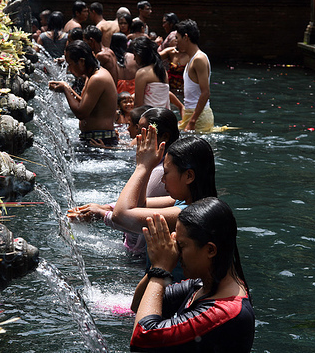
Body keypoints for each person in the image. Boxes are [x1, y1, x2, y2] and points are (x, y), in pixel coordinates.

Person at [130, 197, 255, 352]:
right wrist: (157, 266)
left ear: (210, 250)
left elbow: (142, 337)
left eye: (181, 245)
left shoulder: (226, 311)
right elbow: (139, 304)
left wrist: (161, 269)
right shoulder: (201, 285)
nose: (177, 252)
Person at [67, 107, 180, 256]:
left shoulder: (160, 173)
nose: (137, 138)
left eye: (144, 133)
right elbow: (143, 205)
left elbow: (133, 214)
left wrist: (102, 214)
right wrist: (105, 207)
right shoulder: (159, 168)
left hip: (140, 254)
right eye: (138, 130)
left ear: (164, 137)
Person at [111, 130, 217, 236]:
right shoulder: (183, 201)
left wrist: (142, 167)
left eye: (166, 173)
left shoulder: (189, 215)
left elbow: (120, 216)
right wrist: (148, 168)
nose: (162, 180)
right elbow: (141, 205)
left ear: (189, 176)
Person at [49, 40, 118, 146]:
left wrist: (66, 89)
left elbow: (81, 113)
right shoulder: (91, 76)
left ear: (81, 61)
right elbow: (84, 104)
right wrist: (68, 89)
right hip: (95, 137)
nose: (69, 69)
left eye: (70, 64)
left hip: (100, 140)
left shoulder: (97, 78)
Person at [176, 19, 214, 132]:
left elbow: (206, 92)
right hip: (192, 114)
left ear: (186, 37)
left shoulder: (199, 59)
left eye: (177, 38)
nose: (176, 41)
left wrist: (192, 121)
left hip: (199, 117)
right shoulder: (191, 59)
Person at [132, 36, 183, 115]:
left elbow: (138, 105)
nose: (134, 59)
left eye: (135, 55)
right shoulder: (163, 71)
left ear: (141, 55)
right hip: (165, 117)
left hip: (150, 118)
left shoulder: (142, 73)